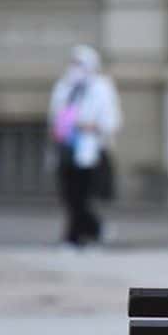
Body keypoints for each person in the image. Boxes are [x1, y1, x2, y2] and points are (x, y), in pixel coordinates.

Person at [48, 44, 121, 248]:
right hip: (66, 149)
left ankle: (74, 238)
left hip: (89, 151)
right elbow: (55, 115)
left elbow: (111, 123)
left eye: (79, 63)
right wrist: (59, 128)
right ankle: (95, 230)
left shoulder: (101, 88)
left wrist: (86, 125)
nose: (75, 67)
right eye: (73, 62)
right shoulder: (64, 87)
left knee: (81, 196)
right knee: (69, 195)